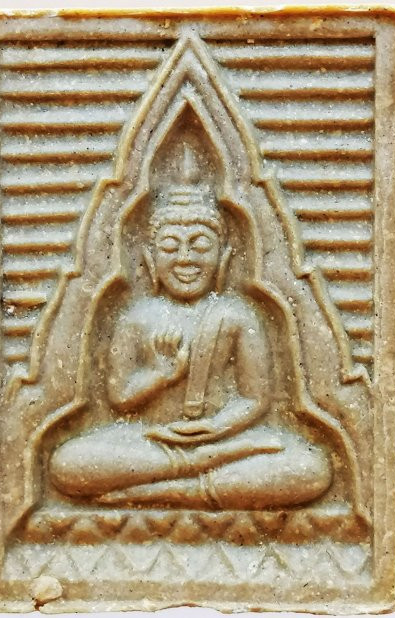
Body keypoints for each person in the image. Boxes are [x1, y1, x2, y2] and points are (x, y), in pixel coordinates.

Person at [50, 150, 332, 509]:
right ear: (150, 258)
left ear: (224, 257)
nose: (185, 259)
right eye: (170, 246)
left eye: (200, 245)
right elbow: (120, 397)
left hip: (225, 439)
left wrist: (215, 429)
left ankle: (172, 489)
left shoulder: (237, 314)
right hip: (151, 441)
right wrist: (160, 376)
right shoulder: (137, 316)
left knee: (310, 467)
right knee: (67, 463)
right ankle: (194, 469)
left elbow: (255, 398)